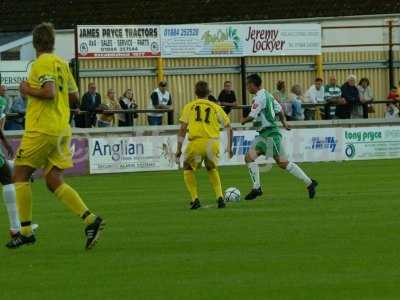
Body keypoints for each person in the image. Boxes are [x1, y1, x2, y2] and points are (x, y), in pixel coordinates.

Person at [6, 22, 104, 249]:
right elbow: (74, 98)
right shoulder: (61, 63)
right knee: (53, 180)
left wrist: (27, 90)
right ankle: (91, 220)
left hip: (43, 129)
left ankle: (26, 231)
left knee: (19, 175)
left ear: (34, 44)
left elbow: (49, 92)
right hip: (62, 129)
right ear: (52, 42)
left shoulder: (41, 63)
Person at [240, 74, 318, 201]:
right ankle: (256, 188)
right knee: (249, 158)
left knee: (282, 163)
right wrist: (284, 123)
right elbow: (279, 110)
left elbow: (251, 116)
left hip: (270, 134)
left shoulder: (259, 98)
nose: (247, 88)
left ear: (253, 85)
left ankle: (310, 183)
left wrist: (243, 120)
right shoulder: (268, 95)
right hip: (264, 135)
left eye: (247, 85)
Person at [175, 81, 233, 210]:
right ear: (209, 92)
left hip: (196, 143)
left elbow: (183, 129)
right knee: (211, 167)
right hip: (213, 144)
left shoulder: (189, 106)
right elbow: (229, 127)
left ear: (195, 93)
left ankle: (195, 199)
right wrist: (229, 147)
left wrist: (179, 149)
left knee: (187, 168)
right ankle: (220, 197)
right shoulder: (216, 107)